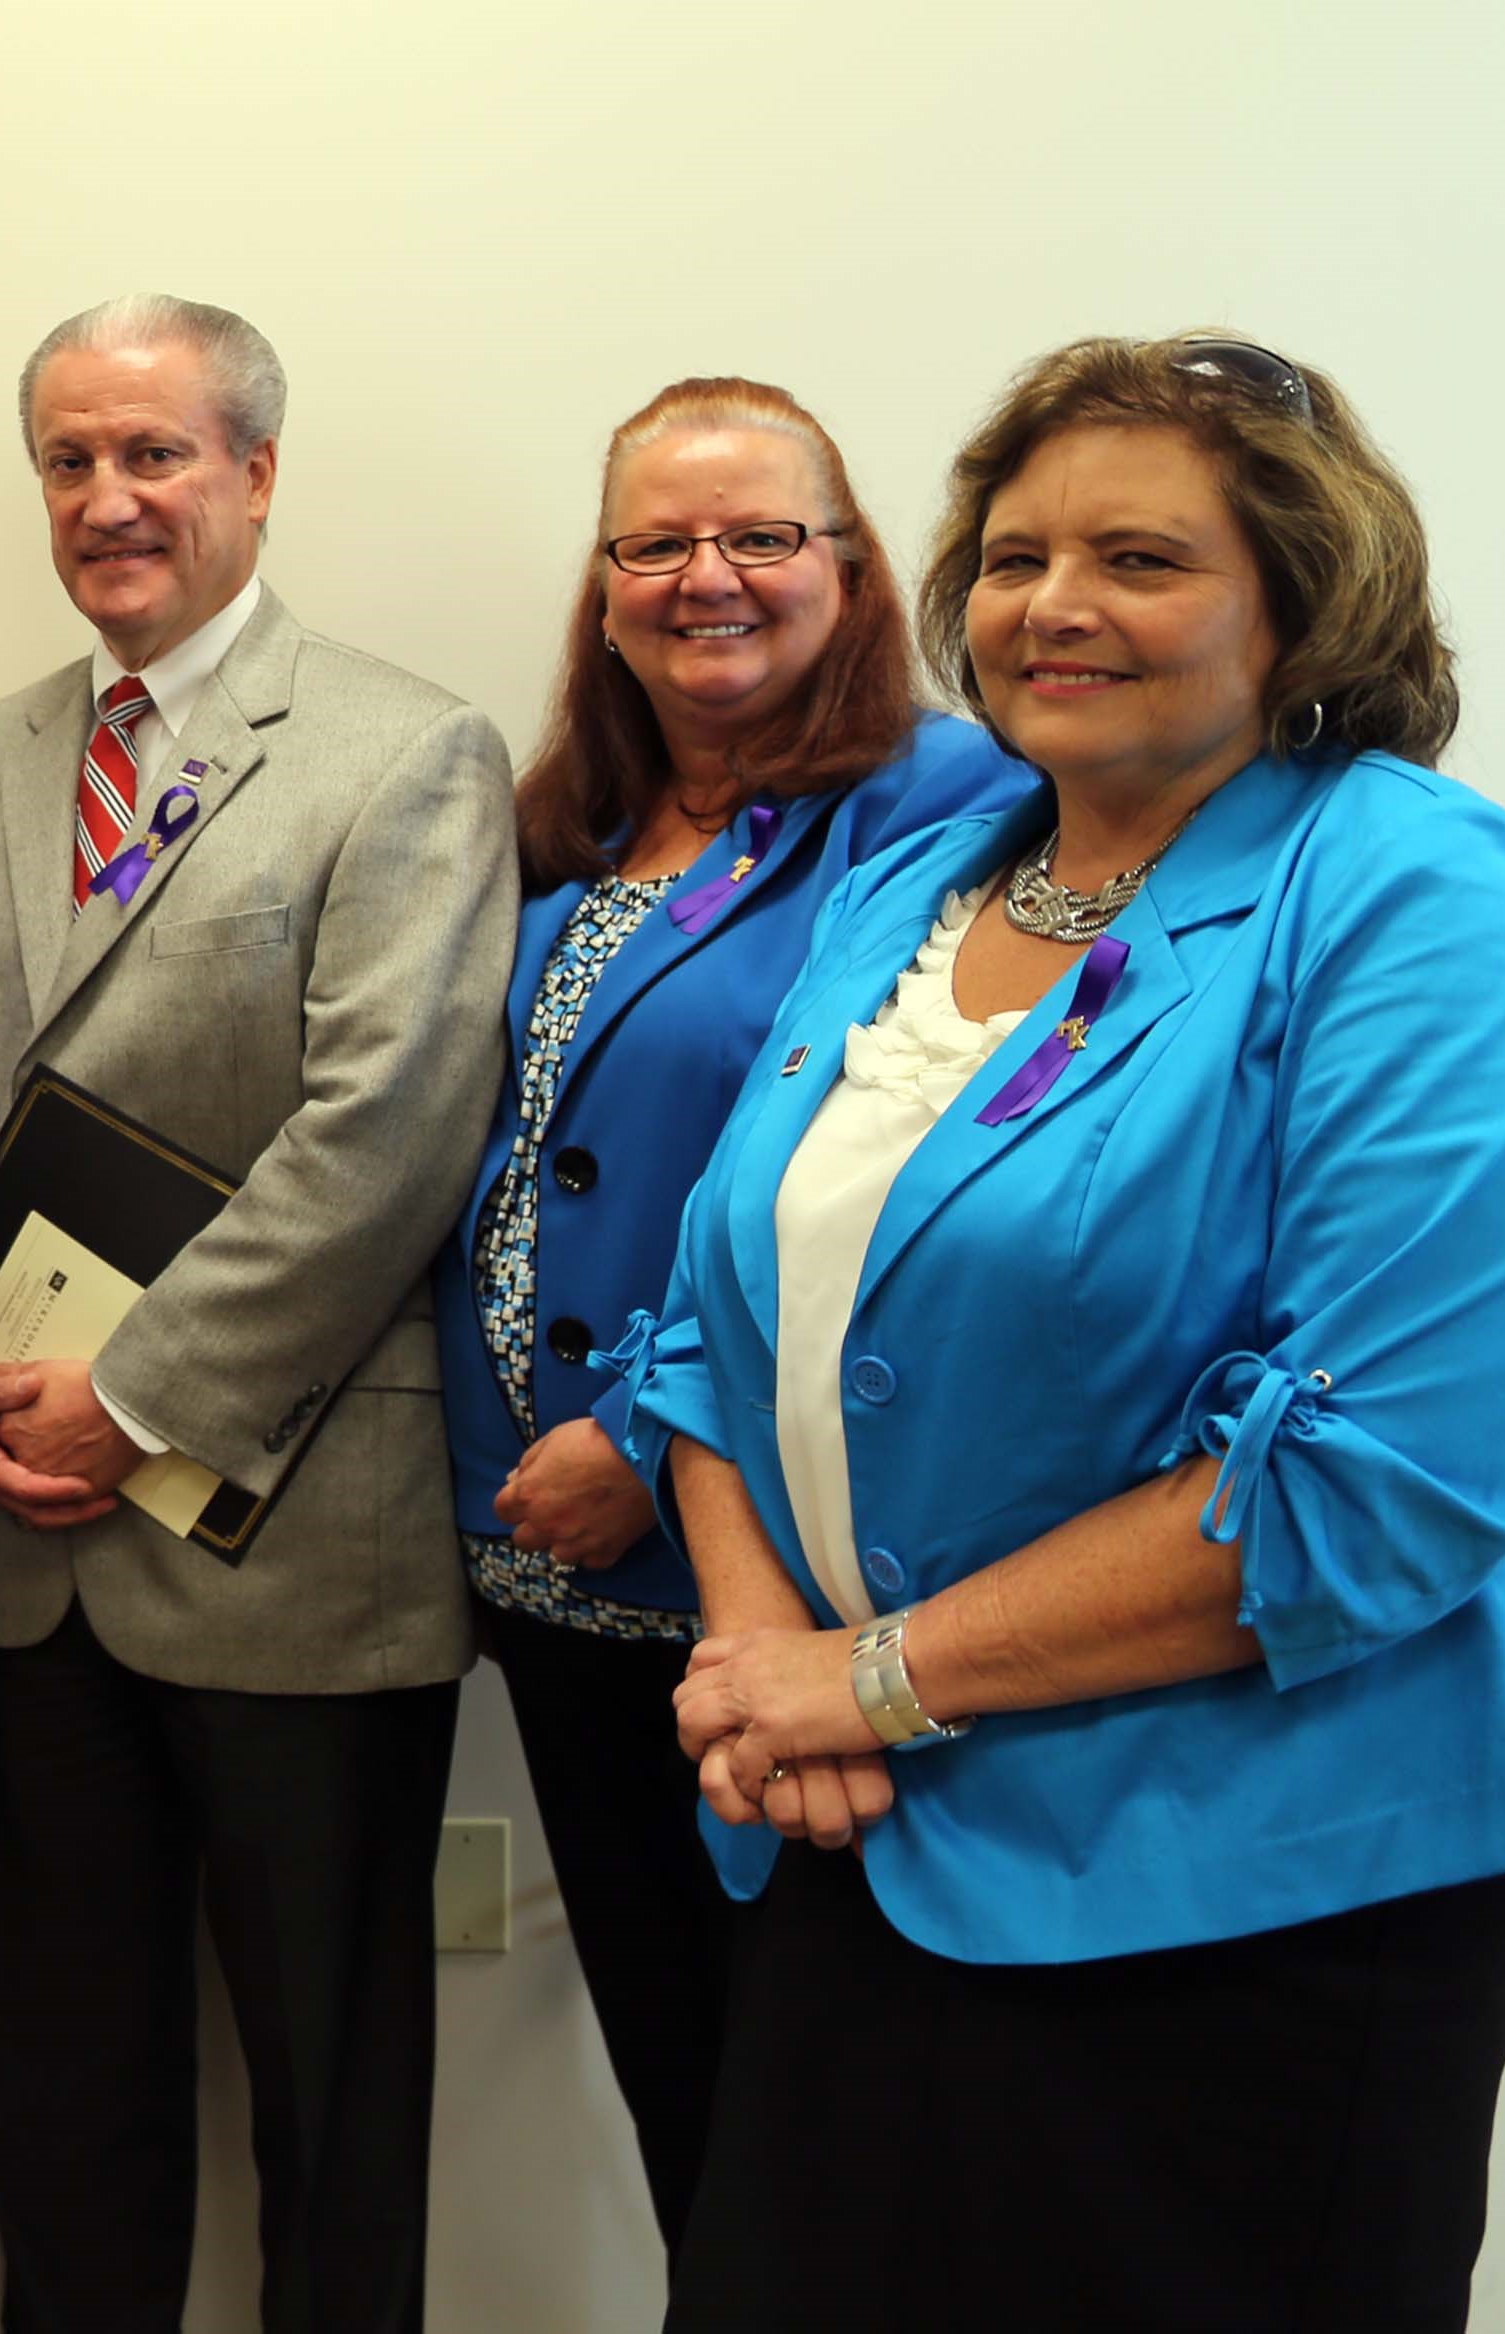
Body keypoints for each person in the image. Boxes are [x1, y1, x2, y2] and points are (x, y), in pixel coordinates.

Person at [623, 336, 1505, 2331]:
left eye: (1140, 559)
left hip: (1254, 1887)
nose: (1053, 607)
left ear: (1300, 598)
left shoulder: (1413, 894)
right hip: (862, 1830)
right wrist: (767, 1652)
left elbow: (1391, 1475)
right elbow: (704, 1321)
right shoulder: (929, 881)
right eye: (1014, 558)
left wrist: (883, 1677)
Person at [0, 296, 512, 2334]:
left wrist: (131, 1399)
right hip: (12, 1552)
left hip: (292, 1542)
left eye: (155, 455)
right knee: (59, 2096)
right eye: (69, 459)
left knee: (333, 2097)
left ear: (257, 475)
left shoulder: (409, 752)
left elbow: (385, 1138)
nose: (108, 499)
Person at [421, 379, 1026, 2249]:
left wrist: (649, 1427)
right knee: (689, 2100)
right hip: (543, 1595)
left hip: (760, 1586)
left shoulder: (944, 805)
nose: (709, 577)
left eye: (764, 534)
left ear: (853, 570)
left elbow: (876, 1167)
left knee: (823, 2143)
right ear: (601, 590)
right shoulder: (562, 824)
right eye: (656, 542)